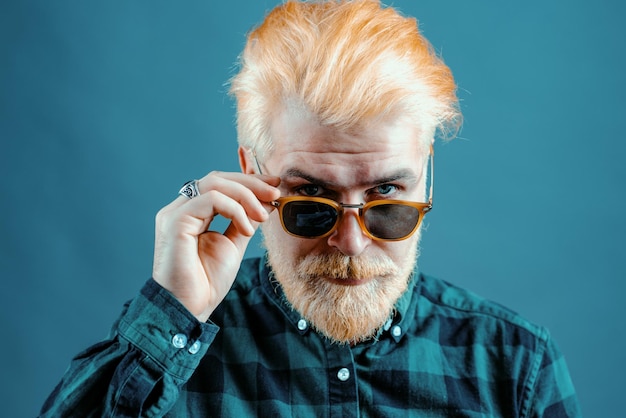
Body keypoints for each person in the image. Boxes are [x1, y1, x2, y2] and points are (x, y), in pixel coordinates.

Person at [40, 1, 582, 416]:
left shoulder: (515, 366)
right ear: (252, 174)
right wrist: (173, 311)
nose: (350, 243)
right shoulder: (171, 352)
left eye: (387, 197)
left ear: (426, 172)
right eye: (312, 202)